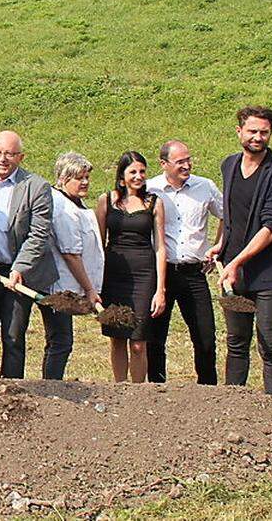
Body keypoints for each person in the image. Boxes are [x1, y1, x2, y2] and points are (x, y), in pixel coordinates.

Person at [213, 106, 272, 398]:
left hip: (268, 275)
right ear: (239, 132)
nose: (258, 137)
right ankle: (234, 404)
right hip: (233, 275)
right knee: (236, 341)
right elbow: (230, 213)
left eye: (264, 132)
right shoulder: (229, 165)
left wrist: (236, 262)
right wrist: (221, 244)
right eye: (253, 131)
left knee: (268, 340)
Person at [0, 131, 57, 384]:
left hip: (16, 276)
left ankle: (11, 389)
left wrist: (19, 269)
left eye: (9, 154)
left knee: (13, 336)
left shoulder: (35, 187)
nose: (2, 159)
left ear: (21, 156)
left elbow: (39, 235)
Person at [145, 140, 222, 385]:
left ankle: (208, 390)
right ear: (164, 164)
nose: (186, 165)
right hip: (161, 272)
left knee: (205, 336)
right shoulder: (149, 188)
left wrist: (218, 246)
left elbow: (227, 216)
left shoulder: (204, 187)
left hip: (193, 272)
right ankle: (157, 389)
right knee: (155, 337)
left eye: (188, 160)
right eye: (180, 162)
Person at [96, 151, 167, 383]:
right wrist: (95, 284)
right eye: (133, 172)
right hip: (114, 275)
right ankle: (119, 389)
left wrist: (160, 289)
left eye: (142, 172)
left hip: (143, 276)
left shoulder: (154, 203)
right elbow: (98, 243)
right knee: (117, 337)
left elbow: (160, 247)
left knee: (138, 342)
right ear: (122, 176)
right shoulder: (106, 200)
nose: (138, 176)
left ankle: (138, 394)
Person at [45, 152, 104, 380]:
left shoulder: (73, 203)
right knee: (60, 342)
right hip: (62, 286)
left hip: (70, 285)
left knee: (60, 342)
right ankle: (52, 387)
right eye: (79, 178)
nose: (86, 182)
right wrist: (89, 289)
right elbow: (71, 254)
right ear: (62, 178)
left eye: (87, 177)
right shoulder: (62, 208)